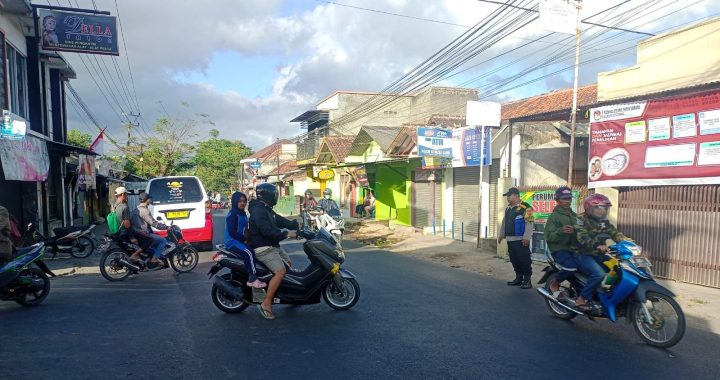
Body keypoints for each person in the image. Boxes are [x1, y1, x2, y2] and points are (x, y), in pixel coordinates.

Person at [248, 183, 299, 320]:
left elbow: (278, 220)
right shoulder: (258, 211)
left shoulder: (265, 209)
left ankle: (287, 294)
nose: (276, 197)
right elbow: (266, 231)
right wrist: (286, 234)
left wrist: (294, 224)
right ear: (268, 196)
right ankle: (266, 303)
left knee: (288, 262)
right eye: (275, 194)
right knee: (280, 271)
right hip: (263, 248)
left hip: (271, 246)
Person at [572, 193, 630, 310]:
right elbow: (582, 237)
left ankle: (606, 294)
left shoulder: (603, 221)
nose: (602, 211)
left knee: (618, 268)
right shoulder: (580, 219)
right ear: (589, 208)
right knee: (599, 274)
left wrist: (628, 242)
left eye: (604, 208)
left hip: (598, 254)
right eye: (599, 208)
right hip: (582, 254)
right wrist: (598, 245)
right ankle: (582, 299)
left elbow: (614, 233)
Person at [543, 186, 579, 298]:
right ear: (558, 200)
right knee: (571, 267)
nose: (567, 201)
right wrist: (560, 231)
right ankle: (555, 284)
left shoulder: (574, 216)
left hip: (574, 249)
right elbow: (548, 237)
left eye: (569, 198)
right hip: (559, 250)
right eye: (564, 199)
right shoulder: (554, 217)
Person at [225, 191, 265, 288]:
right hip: (232, 242)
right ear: (235, 202)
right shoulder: (233, 214)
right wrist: (244, 239)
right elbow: (232, 233)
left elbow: (246, 229)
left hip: (240, 240)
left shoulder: (242, 213)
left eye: (244, 201)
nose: (242, 203)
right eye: (240, 201)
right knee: (249, 252)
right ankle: (253, 279)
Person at [497, 187, 534, 289]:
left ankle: (527, 280)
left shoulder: (526, 207)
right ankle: (519, 278)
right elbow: (504, 222)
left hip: (521, 240)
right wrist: (501, 235)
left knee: (524, 260)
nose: (508, 198)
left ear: (516, 196)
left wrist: (526, 237)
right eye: (507, 196)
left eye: (509, 195)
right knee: (514, 260)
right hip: (510, 239)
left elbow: (529, 223)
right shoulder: (508, 208)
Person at [131, 193, 174, 270]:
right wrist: (166, 227)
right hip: (143, 233)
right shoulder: (144, 211)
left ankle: (150, 256)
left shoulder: (137, 209)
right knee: (163, 240)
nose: (150, 200)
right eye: (149, 199)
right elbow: (153, 223)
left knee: (156, 236)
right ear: (146, 200)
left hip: (137, 233)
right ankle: (154, 258)